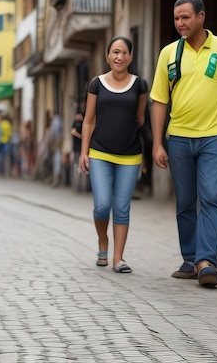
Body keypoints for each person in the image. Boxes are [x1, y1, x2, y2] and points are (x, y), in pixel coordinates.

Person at [150, 0, 217, 288]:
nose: (180, 23)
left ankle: (207, 261)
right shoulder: (168, 53)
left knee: (211, 196)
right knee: (185, 202)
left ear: (201, 17)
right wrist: (157, 143)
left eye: (186, 17)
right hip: (179, 138)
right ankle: (191, 258)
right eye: (177, 18)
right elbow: (159, 100)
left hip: (216, 137)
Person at [79, 36, 147, 273]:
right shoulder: (96, 84)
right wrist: (83, 152)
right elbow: (88, 121)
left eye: (124, 53)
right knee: (101, 206)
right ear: (108, 56)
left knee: (121, 206)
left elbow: (141, 119)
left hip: (130, 155)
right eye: (115, 52)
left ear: (130, 56)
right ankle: (102, 241)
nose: (119, 57)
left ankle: (118, 258)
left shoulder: (140, 85)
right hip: (99, 152)